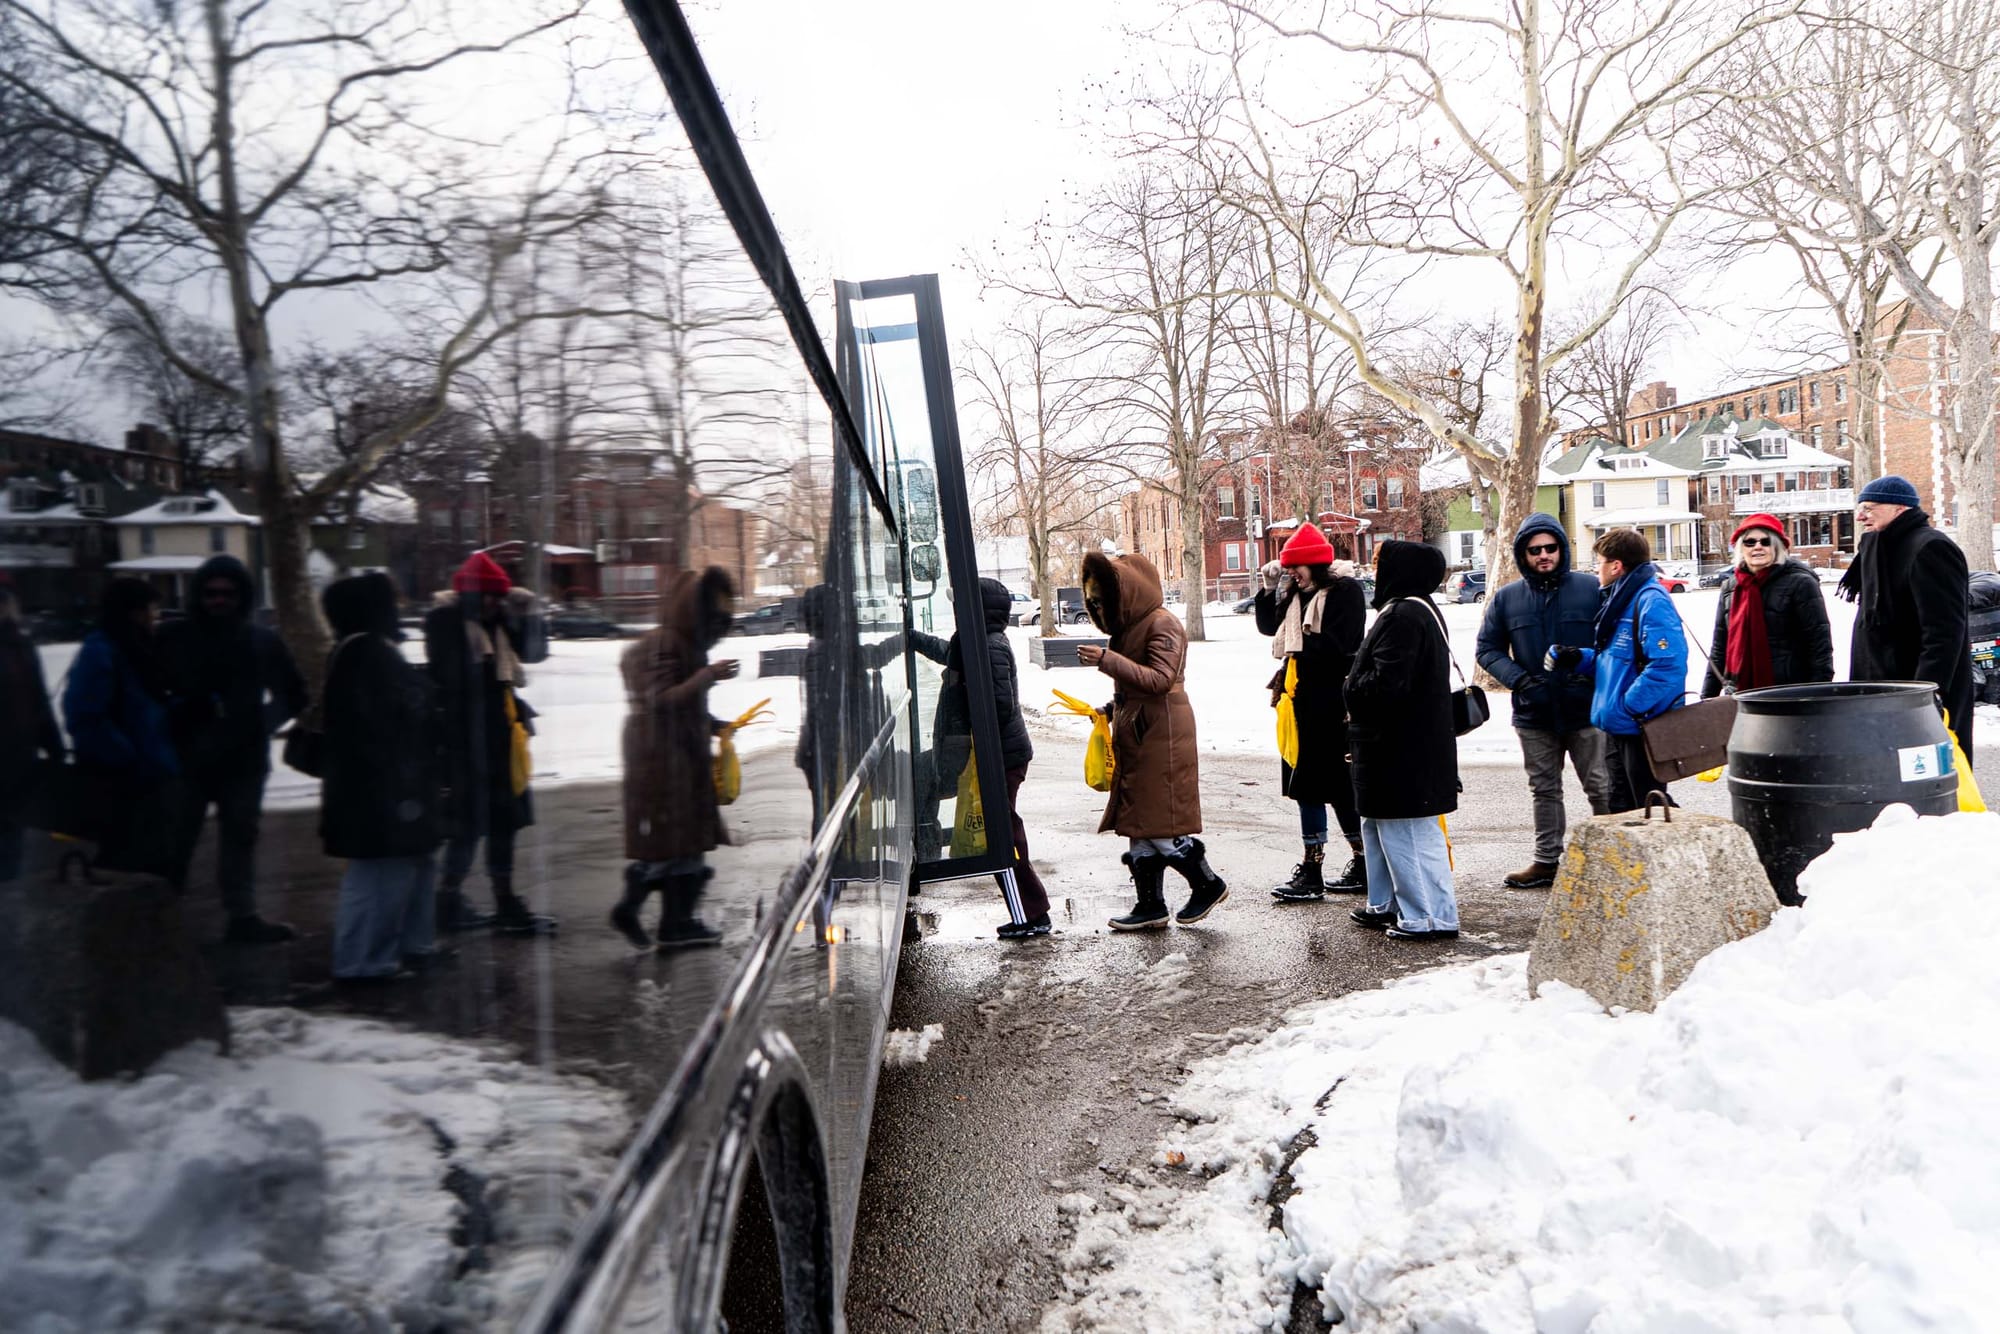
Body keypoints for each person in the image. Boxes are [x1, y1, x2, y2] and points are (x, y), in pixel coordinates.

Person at [158, 554, 306, 944]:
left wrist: (259, 724)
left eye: (228, 593)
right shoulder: (174, 637)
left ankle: (242, 916)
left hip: (243, 760)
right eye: (210, 593)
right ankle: (160, 917)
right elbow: (145, 691)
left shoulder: (261, 640)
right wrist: (176, 712)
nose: (219, 600)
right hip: (186, 758)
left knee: (240, 840)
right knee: (174, 839)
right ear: (198, 595)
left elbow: (295, 693)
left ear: (243, 596)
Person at [1075, 551, 1223, 930]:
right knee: (1138, 822)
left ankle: (1206, 883)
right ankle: (1150, 906)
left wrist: (1106, 661)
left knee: (1159, 821)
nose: (1097, 607)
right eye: (1093, 602)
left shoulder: (1163, 624)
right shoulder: (1130, 627)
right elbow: (1137, 682)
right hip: (1140, 728)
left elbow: (1159, 680)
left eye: (1102, 600)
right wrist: (1111, 708)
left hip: (1163, 731)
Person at [319, 573, 447, 982]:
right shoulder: (366, 654)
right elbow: (388, 720)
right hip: (381, 791)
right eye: (391, 601)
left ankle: (408, 946)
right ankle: (363, 962)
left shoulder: (361, 650)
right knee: (380, 874)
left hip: (387, 787)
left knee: (408, 867)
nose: (400, 607)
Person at [1474, 514, 1612, 888]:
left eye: (1550, 548)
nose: (1544, 555)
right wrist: (1520, 680)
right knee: (1544, 788)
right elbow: (1487, 649)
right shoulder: (1507, 598)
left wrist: (1588, 669)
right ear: (1523, 554)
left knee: (1600, 785)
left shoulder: (1590, 589)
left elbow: (1615, 643)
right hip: (1534, 712)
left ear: (1562, 549)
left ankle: (1611, 860)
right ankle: (1547, 860)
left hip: (1586, 709)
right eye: (1535, 550)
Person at [425, 551, 556, 935]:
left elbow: (535, 653)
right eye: (486, 596)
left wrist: (529, 612)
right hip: (464, 744)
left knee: (504, 825)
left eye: (498, 597)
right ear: (467, 595)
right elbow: (453, 678)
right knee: (466, 829)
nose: (493, 604)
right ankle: (446, 900)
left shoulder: (498, 622)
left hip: (501, 742)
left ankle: (504, 900)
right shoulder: (445, 622)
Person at [913, 577, 1050, 938]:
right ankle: (1029, 911)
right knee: (923, 779)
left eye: (960, 605)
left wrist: (964, 727)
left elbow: (999, 707)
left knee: (1004, 837)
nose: (956, 611)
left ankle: (1032, 914)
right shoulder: (974, 643)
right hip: (984, 756)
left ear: (976, 611)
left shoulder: (988, 647)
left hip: (998, 759)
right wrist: (912, 639)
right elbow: (948, 652)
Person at [613, 566, 738, 951]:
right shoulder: (666, 644)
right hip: (663, 759)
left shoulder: (685, 645)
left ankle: (671, 919)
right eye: (713, 621)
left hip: (677, 756)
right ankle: (666, 918)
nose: (718, 631)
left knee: (684, 845)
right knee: (678, 845)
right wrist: (708, 676)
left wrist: (716, 725)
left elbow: (684, 706)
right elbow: (661, 700)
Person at [1343, 540, 1461, 942]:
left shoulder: (1405, 615)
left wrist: (1351, 688)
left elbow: (1387, 685)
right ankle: (1387, 903)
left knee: (1408, 830)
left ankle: (1429, 916)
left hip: (1400, 748)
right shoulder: (1415, 609)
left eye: (1381, 563)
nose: (1374, 570)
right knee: (1380, 827)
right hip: (1401, 745)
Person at [1253, 523, 1369, 901]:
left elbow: (1340, 645)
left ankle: (1330, 868)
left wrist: (1300, 648)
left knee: (1333, 788)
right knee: (1308, 786)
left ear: (1315, 564)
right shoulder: (1297, 592)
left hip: (1333, 703)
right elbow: (1269, 626)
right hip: (1299, 700)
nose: (1290, 573)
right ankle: (1329, 863)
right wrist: (1270, 590)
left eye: (1295, 567)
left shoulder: (1344, 592)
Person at [1545, 528, 1687, 814]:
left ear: (1616, 566)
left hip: (1640, 728)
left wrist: (1629, 706)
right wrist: (1576, 658)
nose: (1596, 569)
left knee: (1649, 811)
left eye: (1599, 561)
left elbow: (1668, 666)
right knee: (1621, 809)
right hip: (1619, 727)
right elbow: (1617, 662)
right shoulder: (1622, 599)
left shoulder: (1651, 600)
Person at [1839, 476, 1975, 757]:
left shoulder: (1931, 547)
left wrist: (1923, 696)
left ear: (1899, 508)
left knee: (1929, 780)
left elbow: (1944, 632)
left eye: (1869, 507)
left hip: (1917, 690)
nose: (1860, 515)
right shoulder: (1875, 547)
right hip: (1879, 685)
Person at [62, 578, 180, 875]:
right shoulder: (101, 651)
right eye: (151, 609)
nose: (156, 616)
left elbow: (146, 708)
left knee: (155, 872)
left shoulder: (137, 649)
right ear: (132, 612)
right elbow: (84, 717)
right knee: (125, 874)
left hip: (151, 782)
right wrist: (128, 760)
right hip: (122, 788)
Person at [1701, 513, 1834, 699]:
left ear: (1777, 547)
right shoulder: (1730, 588)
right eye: (1750, 542)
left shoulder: (1801, 584)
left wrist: (1816, 697)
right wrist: (1708, 698)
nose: (1758, 547)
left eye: (1765, 542)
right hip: (1740, 693)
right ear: (1741, 548)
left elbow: (1819, 647)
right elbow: (1719, 646)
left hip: (1788, 694)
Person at [0, 576, 64, 882]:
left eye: (3, 599)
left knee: (11, 853)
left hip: (17, 768)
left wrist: (52, 743)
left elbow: (38, 699)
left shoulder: (21, 646)